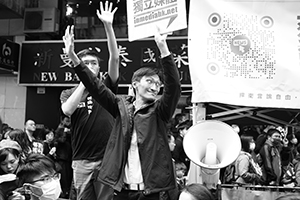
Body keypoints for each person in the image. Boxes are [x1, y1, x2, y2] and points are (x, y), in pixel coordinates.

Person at [63, 20, 181, 200]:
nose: (155, 86)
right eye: (149, 81)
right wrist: (73, 56)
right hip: (122, 191)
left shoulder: (160, 111)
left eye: (158, 84)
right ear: (135, 84)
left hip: (149, 192)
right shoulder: (120, 106)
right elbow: (95, 86)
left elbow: (174, 87)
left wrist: (163, 48)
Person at [60, 1, 119, 199]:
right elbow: (67, 111)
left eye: (93, 63)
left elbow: (115, 58)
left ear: (99, 68)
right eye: (85, 64)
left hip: (108, 158)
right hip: (82, 160)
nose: (90, 66)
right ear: (78, 67)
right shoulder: (69, 92)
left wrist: (108, 27)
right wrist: (85, 83)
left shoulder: (106, 89)